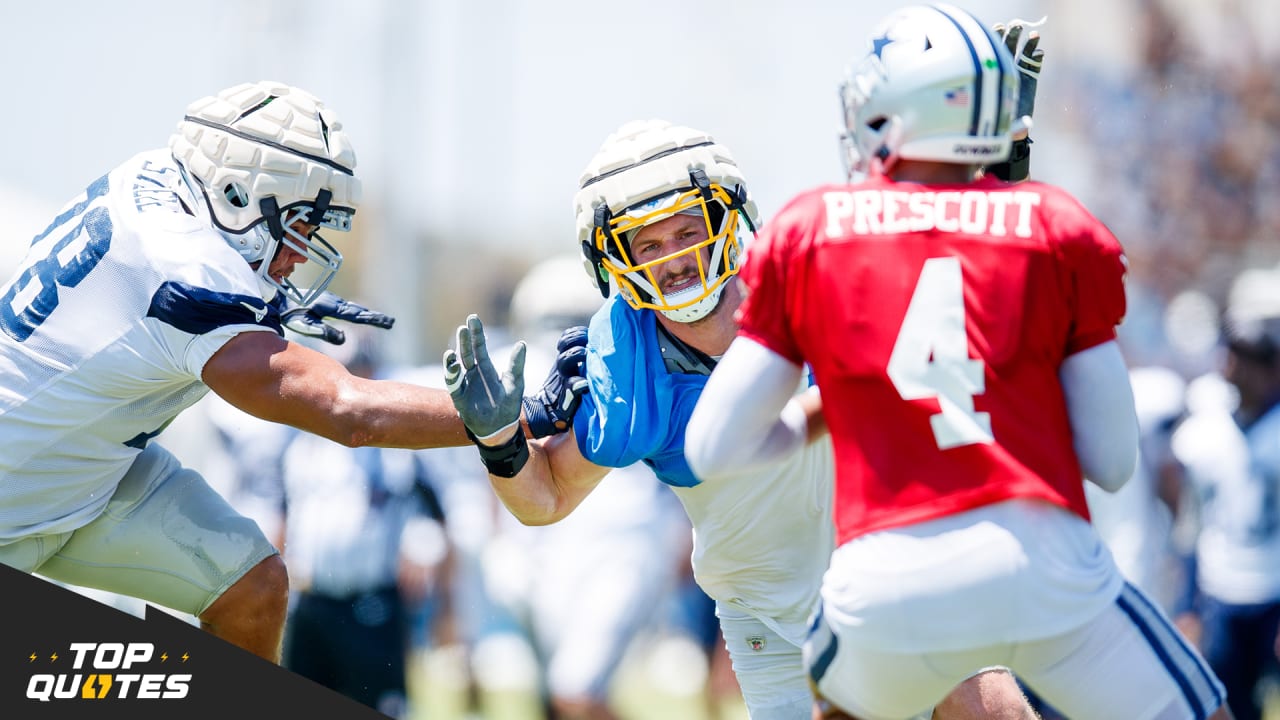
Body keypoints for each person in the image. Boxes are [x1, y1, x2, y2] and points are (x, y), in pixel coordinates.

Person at [683, 4, 1232, 719]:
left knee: (843, 704)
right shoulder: (1056, 226)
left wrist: (834, 410)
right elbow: (1111, 460)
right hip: (1044, 562)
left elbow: (713, 447)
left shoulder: (811, 229)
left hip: (886, 579)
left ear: (888, 115)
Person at [442, 115, 1037, 719]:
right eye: (648, 244)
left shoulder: (808, 287)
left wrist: (995, 169)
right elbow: (543, 500)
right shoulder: (629, 368)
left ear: (729, 219)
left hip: (896, 571)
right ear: (614, 259)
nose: (674, 258)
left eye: (686, 230)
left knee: (991, 710)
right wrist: (499, 441)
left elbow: (950, 271)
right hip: (766, 617)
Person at [0, 80, 472, 663]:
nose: (302, 252)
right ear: (232, 193)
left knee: (251, 586)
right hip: (14, 500)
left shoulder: (152, 175)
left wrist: (261, 301)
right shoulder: (189, 272)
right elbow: (350, 411)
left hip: (83, 471)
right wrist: (505, 417)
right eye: (300, 224)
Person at [1172, 266, 1280, 720]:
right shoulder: (1206, 422)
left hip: (1272, 591)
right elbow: (1193, 520)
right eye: (1232, 352)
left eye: (1247, 355)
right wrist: (1187, 603)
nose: (1233, 365)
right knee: (1225, 707)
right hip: (1221, 590)